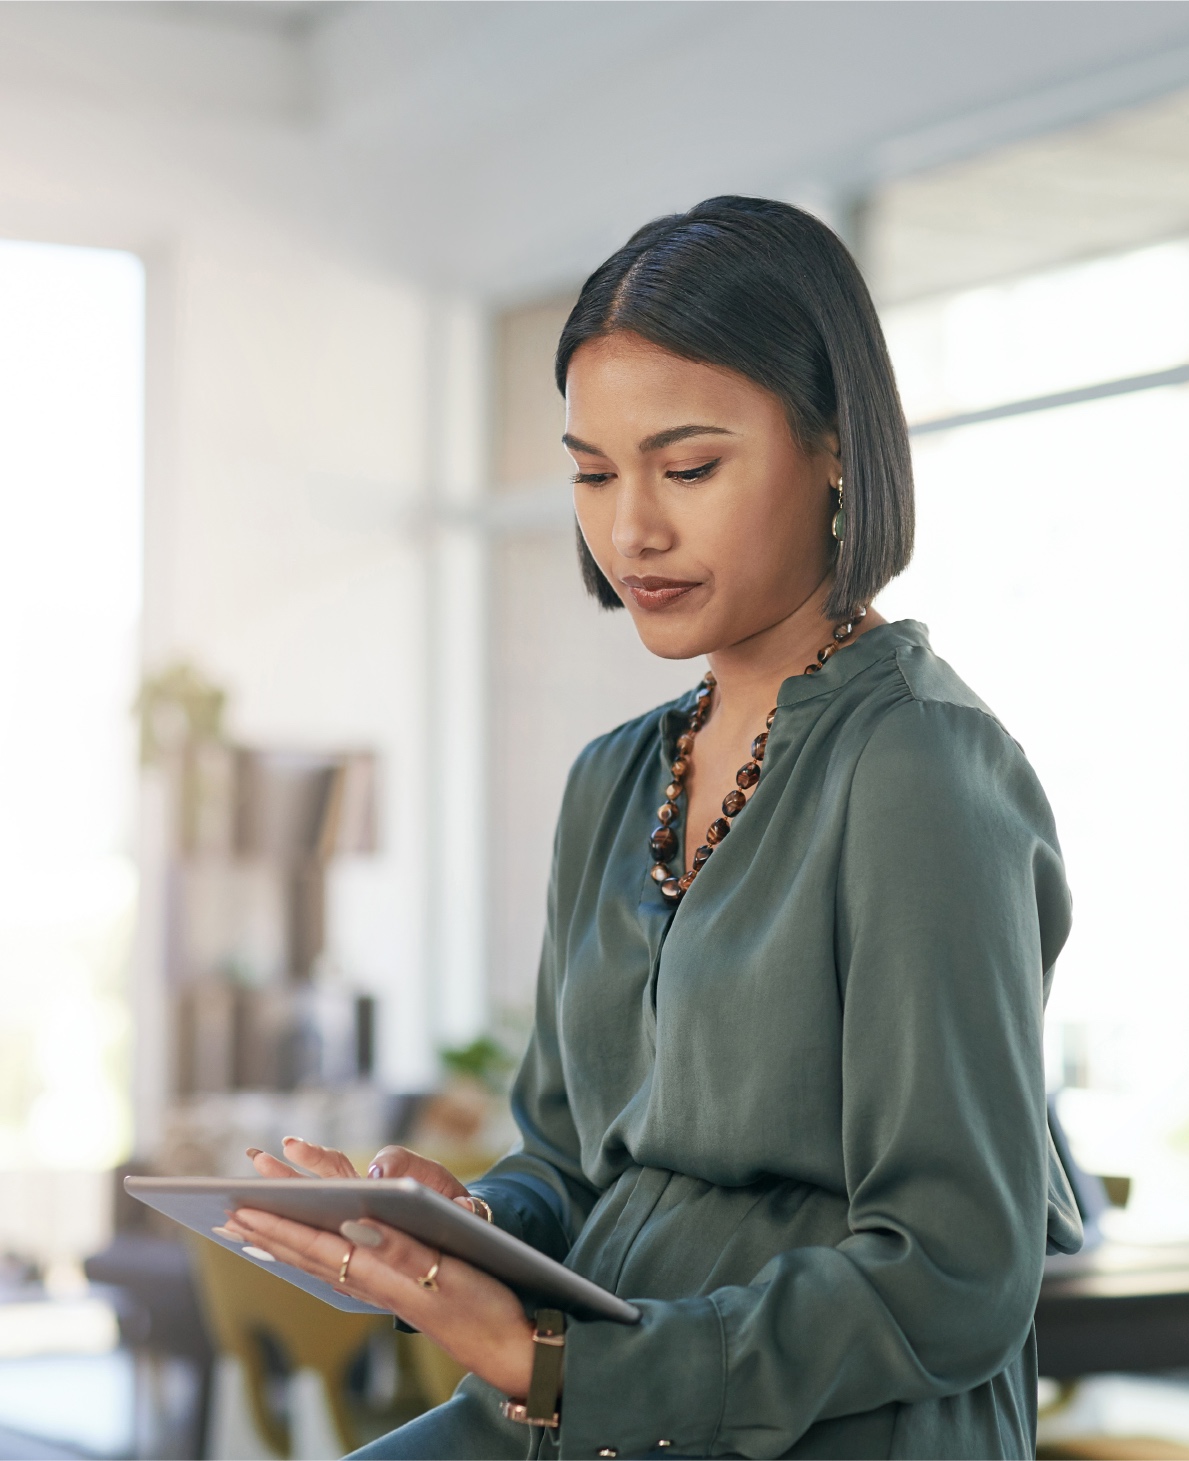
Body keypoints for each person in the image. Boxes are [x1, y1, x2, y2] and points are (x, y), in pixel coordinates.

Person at [221, 196, 1082, 1460]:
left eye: (687, 468)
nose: (631, 528)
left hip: (815, 1425)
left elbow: (953, 1272)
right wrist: (458, 1225)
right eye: (589, 472)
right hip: (582, 1406)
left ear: (835, 448)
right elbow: (573, 1167)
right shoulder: (615, 779)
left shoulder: (921, 772)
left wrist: (558, 1359)